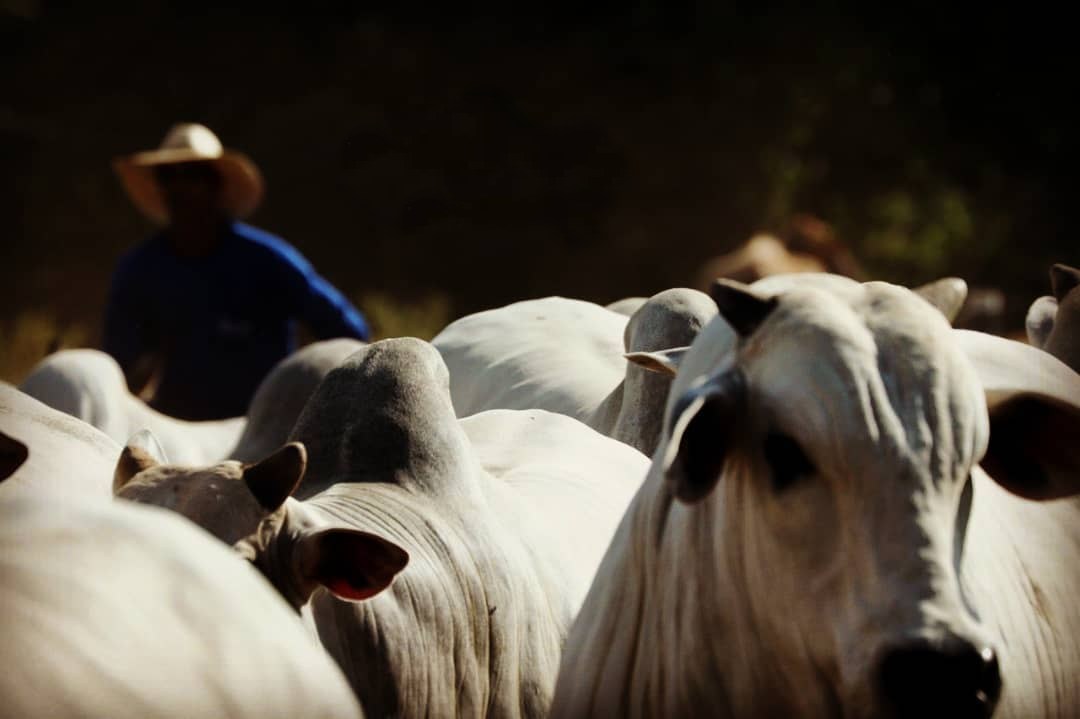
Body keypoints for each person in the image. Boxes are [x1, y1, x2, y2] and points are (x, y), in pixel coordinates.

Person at [105, 122, 370, 421]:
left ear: (215, 186)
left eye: (193, 175)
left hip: (265, 430)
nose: (180, 188)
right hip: (178, 429)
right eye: (168, 176)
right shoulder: (141, 268)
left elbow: (348, 331)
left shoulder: (267, 259)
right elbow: (119, 361)